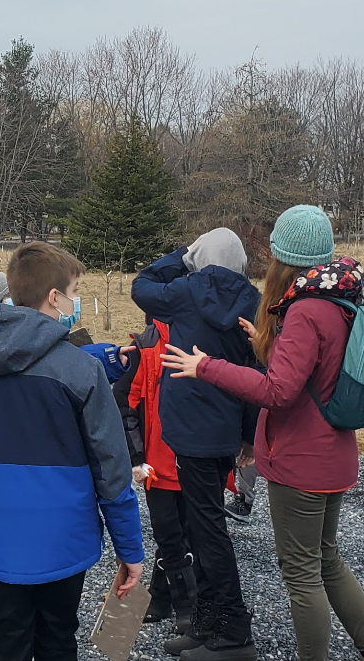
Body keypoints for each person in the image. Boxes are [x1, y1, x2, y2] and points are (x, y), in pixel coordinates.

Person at [162, 205, 364, 661]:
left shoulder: (306, 309)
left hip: (301, 463)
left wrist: (206, 367)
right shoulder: (341, 298)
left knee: (300, 573)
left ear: (284, 256)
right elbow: (314, 371)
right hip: (334, 454)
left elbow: (277, 391)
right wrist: (269, 343)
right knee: (327, 559)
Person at [0, 241, 144, 661]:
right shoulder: (82, 369)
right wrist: (130, 549)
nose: (76, 299)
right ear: (54, 297)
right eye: (75, 290)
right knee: (58, 638)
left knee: (4, 640)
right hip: (66, 535)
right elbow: (112, 468)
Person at [131, 228, 261, 661]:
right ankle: (207, 624)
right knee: (204, 529)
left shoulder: (185, 290)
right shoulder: (252, 300)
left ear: (200, 260)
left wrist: (181, 256)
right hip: (223, 432)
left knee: (209, 534)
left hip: (187, 431)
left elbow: (142, 285)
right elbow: (251, 371)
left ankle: (234, 631)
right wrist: (247, 436)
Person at [113, 320, 197, 632]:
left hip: (195, 457)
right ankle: (187, 605)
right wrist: (136, 455)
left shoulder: (210, 335)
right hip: (158, 460)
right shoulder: (146, 346)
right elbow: (124, 400)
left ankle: (162, 598)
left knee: (185, 530)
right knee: (168, 532)